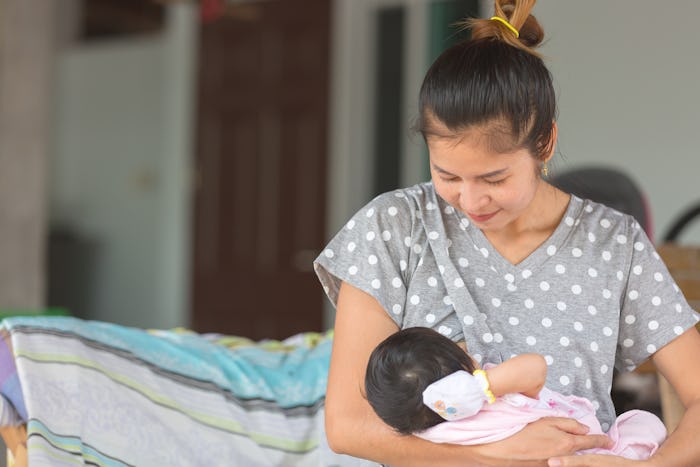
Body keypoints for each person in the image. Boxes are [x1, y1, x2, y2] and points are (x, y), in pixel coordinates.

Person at [314, 0, 700, 464]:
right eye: (448, 176)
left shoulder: (613, 242)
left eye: (494, 179)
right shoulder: (394, 227)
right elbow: (348, 427)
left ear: (546, 143)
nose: (471, 201)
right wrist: (505, 456)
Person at [365, 327, 666, 460]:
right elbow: (534, 366)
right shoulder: (498, 399)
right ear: (460, 374)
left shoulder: (435, 432)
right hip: (591, 453)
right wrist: (481, 387)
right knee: (644, 423)